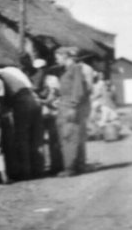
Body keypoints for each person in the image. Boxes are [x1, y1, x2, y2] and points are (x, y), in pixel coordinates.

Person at [0, 64, 44, 180]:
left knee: (23, 138)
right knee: (36, 137)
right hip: (35, 99)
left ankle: (26, 171)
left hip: (22, 100)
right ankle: (39, 169)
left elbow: (3, 95)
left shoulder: (0, 73)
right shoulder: (15, 70)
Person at [54, 47, 90, 177]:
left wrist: (73, 106)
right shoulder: (68, 70)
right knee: (72, 136)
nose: (56, 60)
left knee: (69, 136)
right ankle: (78, 165)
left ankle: (70, 168)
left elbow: (78, 88)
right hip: (65, 105)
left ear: (65, 56)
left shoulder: (75, 69)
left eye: (58, 57)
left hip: (69, 106)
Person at [34, 59, 63, 174]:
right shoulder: (53, 79)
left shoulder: (37, 81)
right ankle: (54, 165)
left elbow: (51, 97)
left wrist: (40, 101)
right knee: (51, 140)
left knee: (47, 140)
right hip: (49, 112)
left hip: (47, 112)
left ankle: (49, 166)